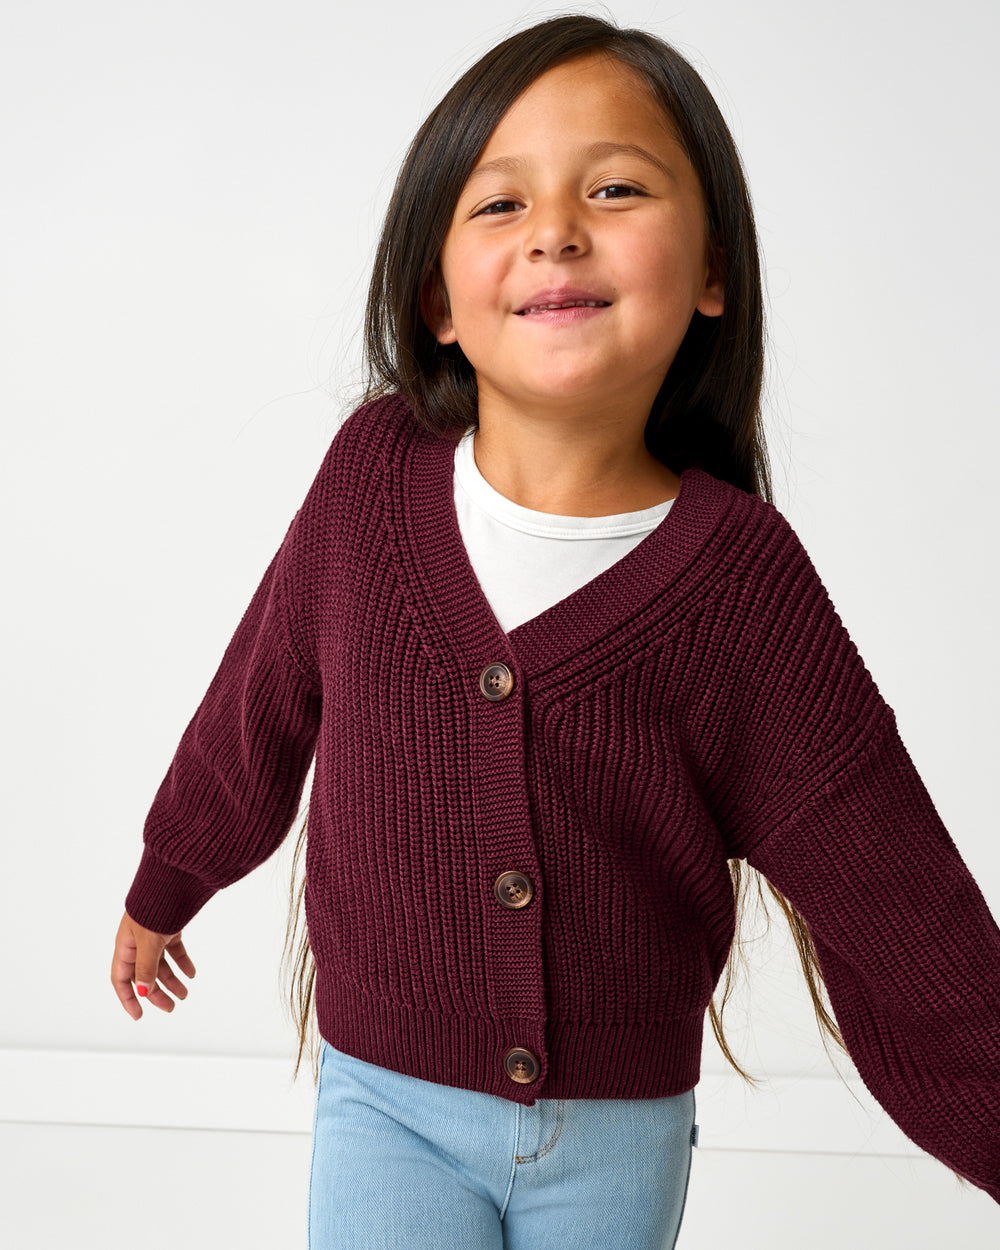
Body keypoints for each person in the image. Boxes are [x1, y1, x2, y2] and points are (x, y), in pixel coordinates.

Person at [110, 13, 1000, 1246]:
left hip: (617, 1133)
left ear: (711, 273)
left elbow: (897, 904)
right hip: (387, 1105)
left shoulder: (741, 582)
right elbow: (259, 700)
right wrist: (172, 873)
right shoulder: (370, 480)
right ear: (433, 297)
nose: (555, 230)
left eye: (617, 186)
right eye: (498, 203)